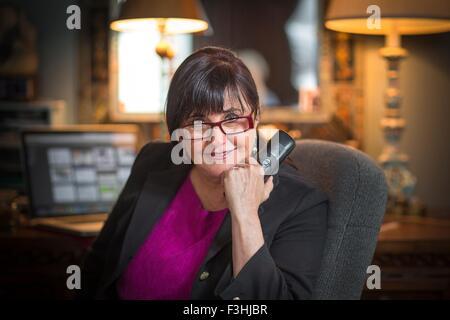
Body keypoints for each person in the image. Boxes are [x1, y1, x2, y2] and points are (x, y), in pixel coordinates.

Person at [80, 46, 328, 300]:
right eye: (197, 122)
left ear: (255, 117)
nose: (217, 140)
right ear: (177, 131)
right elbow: (99, 262)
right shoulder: (152, 161)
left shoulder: (302, 205)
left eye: (232, 118)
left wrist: (245, 214)